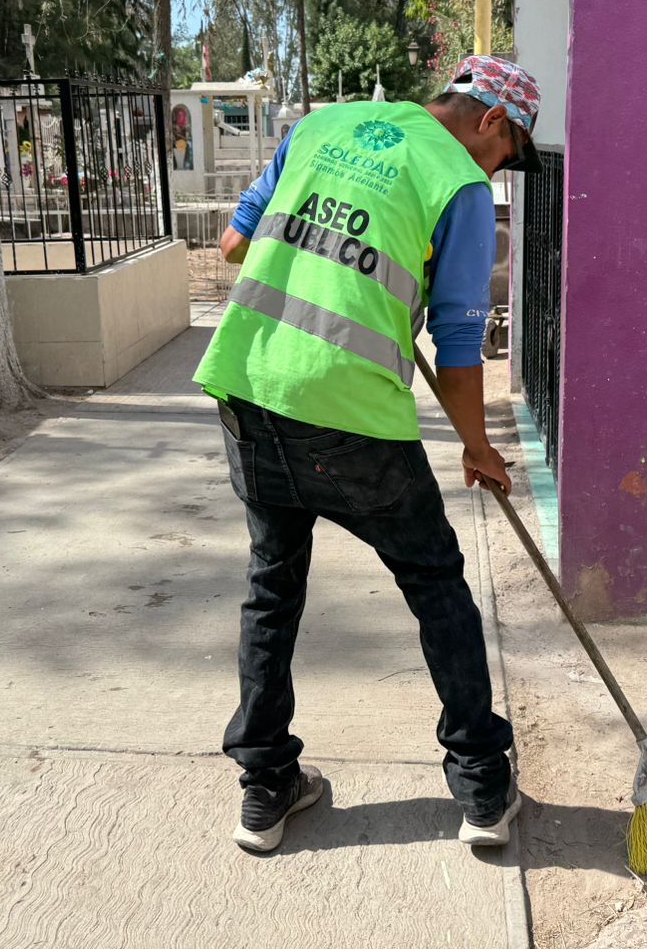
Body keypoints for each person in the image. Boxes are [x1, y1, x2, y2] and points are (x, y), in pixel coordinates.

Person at [194, 55, 544, 853]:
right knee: (433, 582)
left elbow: (231, 244)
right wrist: (479, 448)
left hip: (248, 386)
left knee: (271, 587)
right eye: (508, 154)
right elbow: (458, 343)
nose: (499, 171)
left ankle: (265, 788)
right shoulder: (455, 181)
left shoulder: (318, 124)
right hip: (347, 414)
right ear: (490, 119)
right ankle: (484, 790)